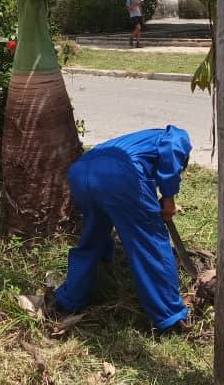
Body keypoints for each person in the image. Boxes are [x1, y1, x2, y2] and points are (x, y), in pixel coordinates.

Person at [54, 126, 192, 332]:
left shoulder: (139, 141)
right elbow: (172, 148)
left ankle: (70, 300)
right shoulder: (175, 135)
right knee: (149, 243)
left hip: (80, 172)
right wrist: (169, 196)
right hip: (121, 172)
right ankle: (171, 317)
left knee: (93, 239)